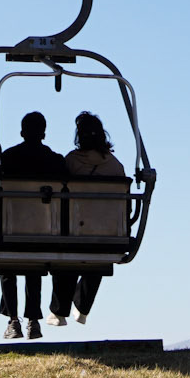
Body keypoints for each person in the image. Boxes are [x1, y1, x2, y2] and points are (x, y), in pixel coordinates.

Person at [47, 112, 129, 328]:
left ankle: (59, 310)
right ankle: (82, 307)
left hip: (75, 228)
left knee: (66, 258)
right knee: (97, 257)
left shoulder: (72, 162)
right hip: (107, 231)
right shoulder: (115, 166)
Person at [0, 110, 68, 340]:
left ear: (22, 132)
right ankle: (33, 320)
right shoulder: (55, 161)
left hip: (10, 227)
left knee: (7, 265)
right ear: (43, 133)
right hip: (44, 230)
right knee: (33, 266)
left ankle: (13, 319)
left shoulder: (8, 158)